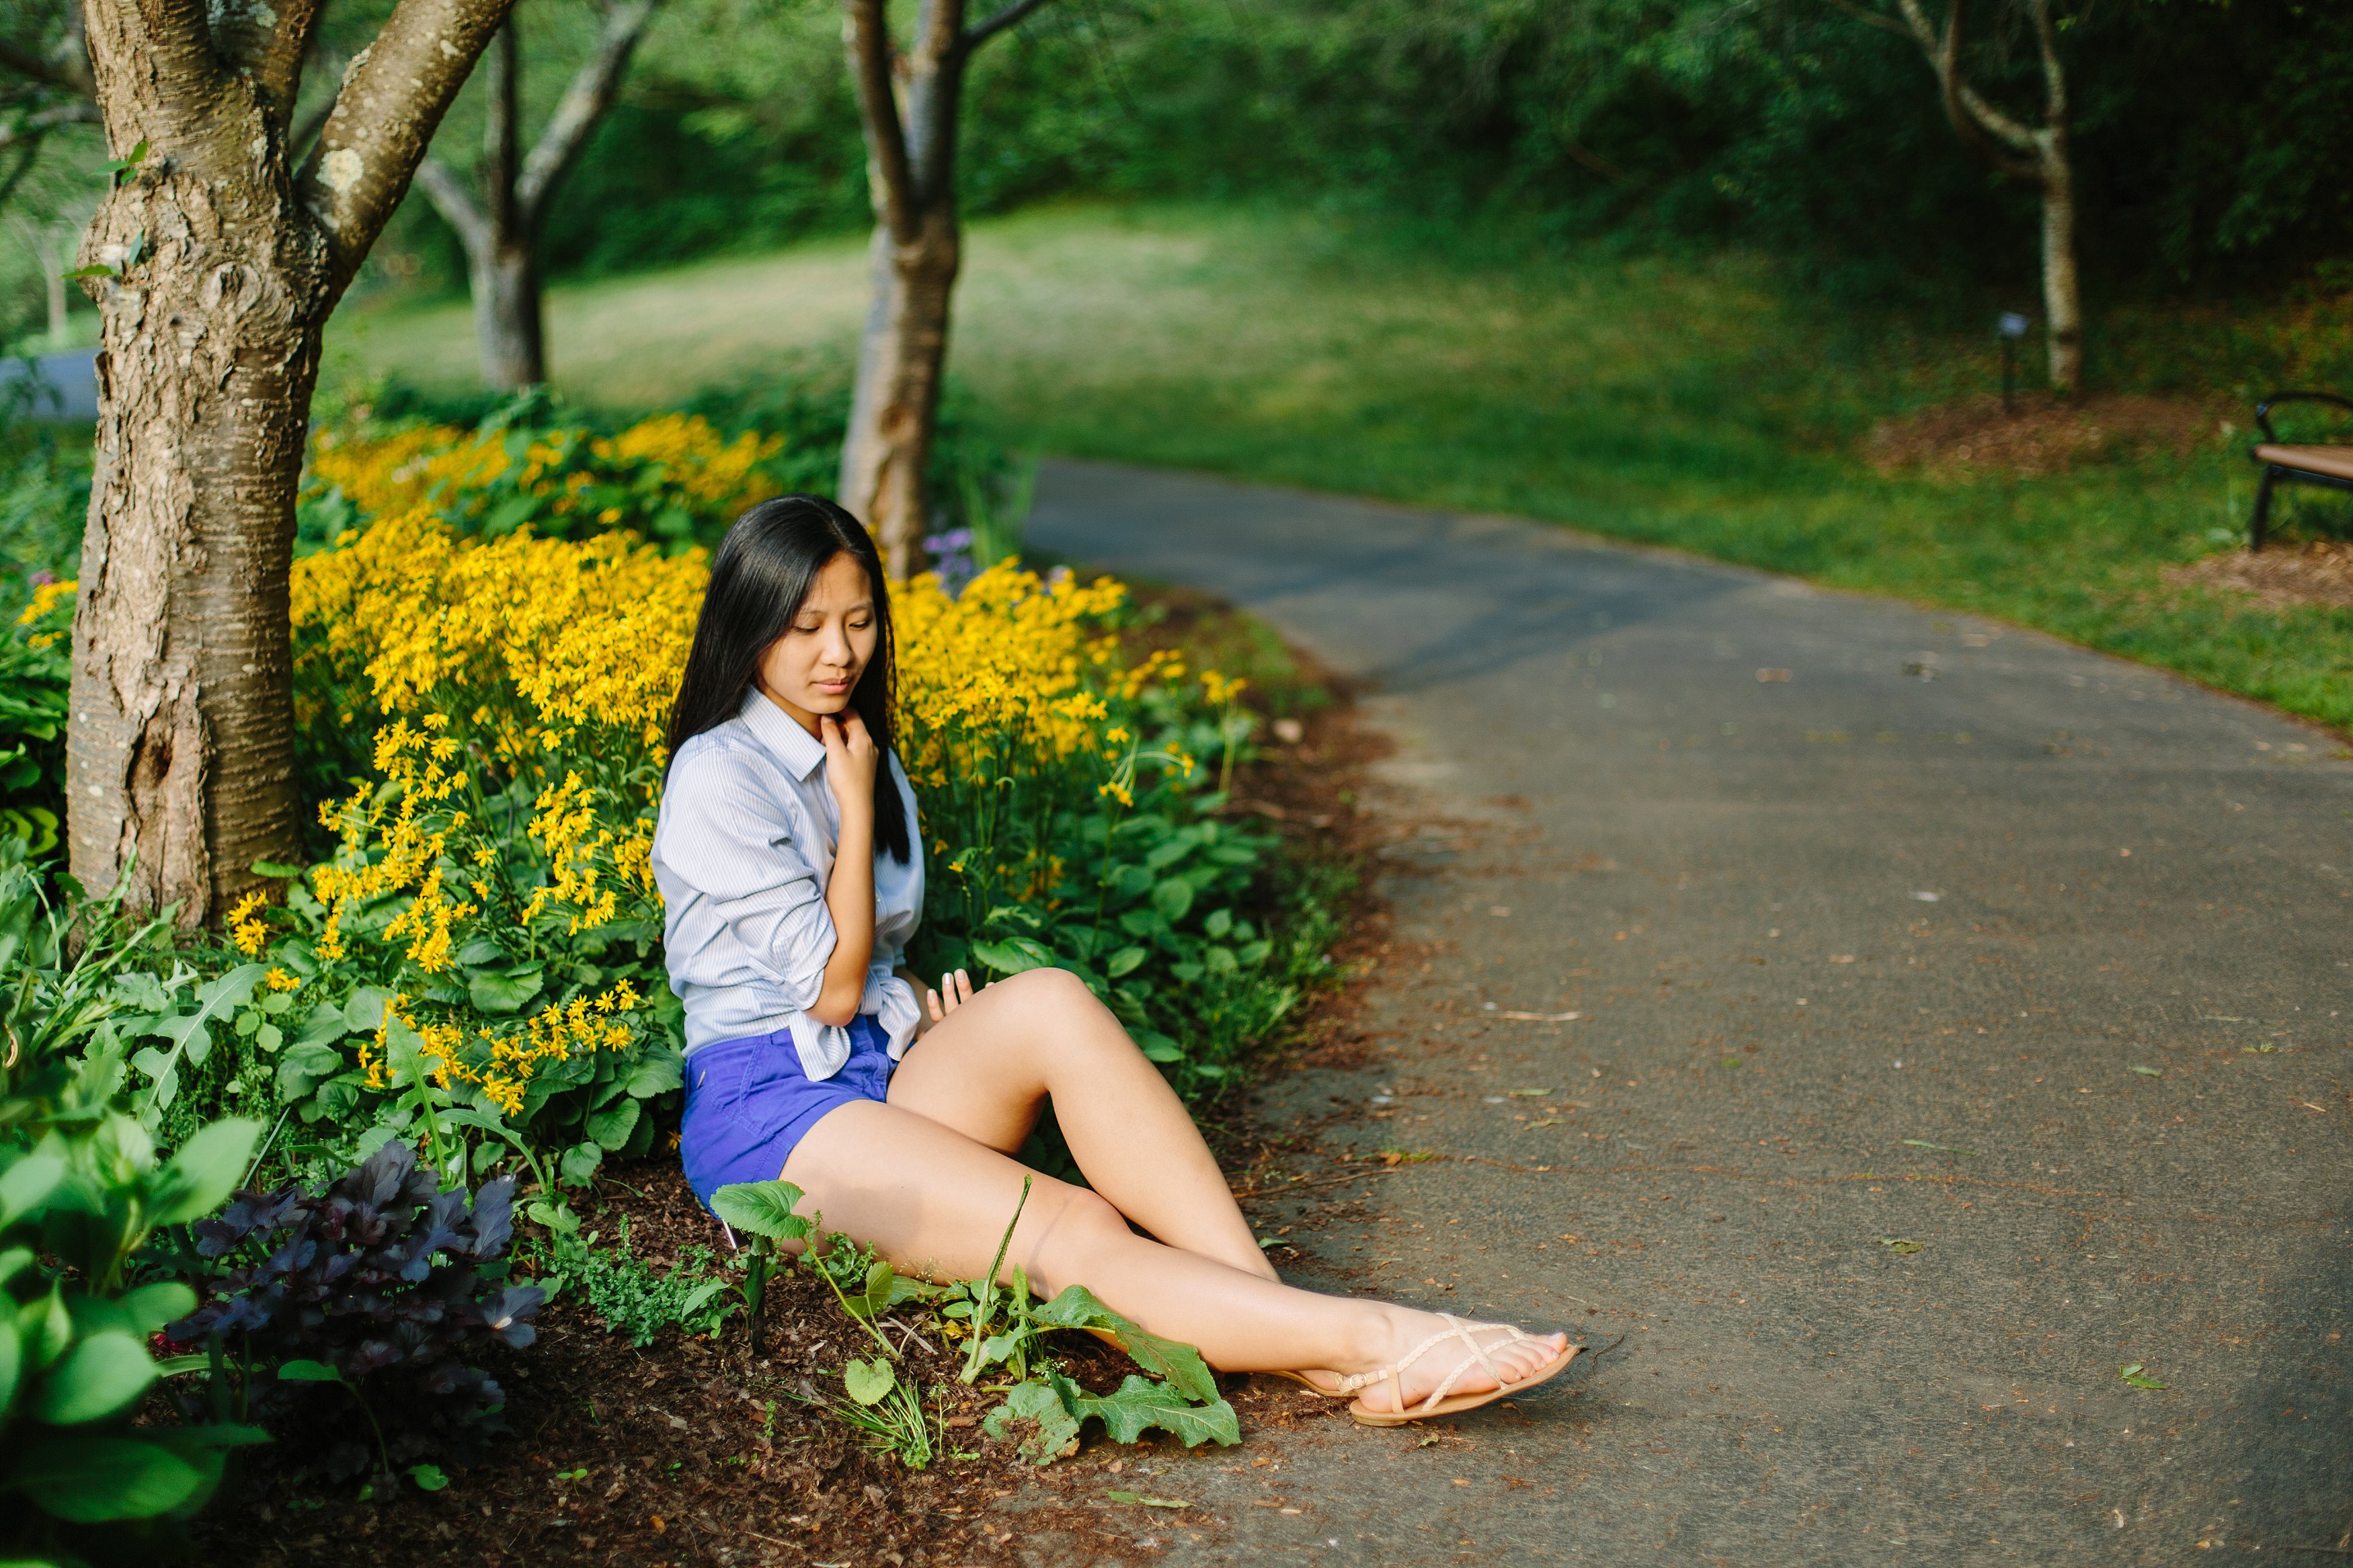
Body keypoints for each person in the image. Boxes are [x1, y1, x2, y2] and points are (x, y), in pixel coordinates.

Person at [653, 495, 1581, 1426]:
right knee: (1074, 1226)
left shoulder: (862, 754)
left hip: (875, 1066)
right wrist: (855, 817)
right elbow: (828, 988)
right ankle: (1376, 1340)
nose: (840, 653)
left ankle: (1281, 1322)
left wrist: (923, 1017)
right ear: (750, 625)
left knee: (1051, 1000)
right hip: (770, 1112)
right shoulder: (720, 773)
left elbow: (873, 972)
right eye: (807, 626)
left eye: (859, 622)